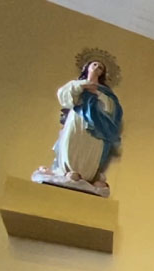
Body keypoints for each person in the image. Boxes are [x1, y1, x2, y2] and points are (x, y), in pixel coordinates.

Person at [33, 57, 123, 196]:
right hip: (78, 118)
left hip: (98, 125)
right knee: (72, 140)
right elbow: (64, 96)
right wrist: (82, 86)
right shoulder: (77, 84)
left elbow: (113, 109)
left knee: (91, 147)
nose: (97, 67)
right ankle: (67, 170)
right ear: (87, 67)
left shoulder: (105, 92)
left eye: (100, 67)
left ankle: (86, 175)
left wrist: (98, 94)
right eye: (94, 64)